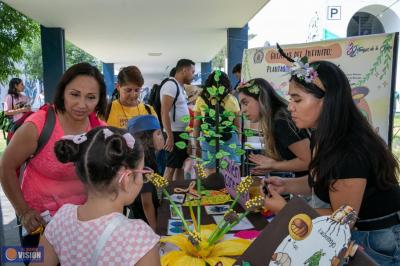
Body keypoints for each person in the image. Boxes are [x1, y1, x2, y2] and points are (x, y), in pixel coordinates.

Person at [263, 57, 400, 264]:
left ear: (327, 101)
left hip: (374, 242)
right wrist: (285, 185)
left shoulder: (348, 148)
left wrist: (285, 210)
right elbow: (323, 181)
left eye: (297, 99)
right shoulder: (323, 135)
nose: (290, 107)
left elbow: (343, 220)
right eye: (290, 99)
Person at [0, 63, 107, 252]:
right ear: (63, 92)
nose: (82, 104)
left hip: (82, 227)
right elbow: (5, 167)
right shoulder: (38, 125)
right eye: (75, 94)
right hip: (39, 225)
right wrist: (23, 211)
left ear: (99, 100)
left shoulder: (101, 130)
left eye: (91, 97)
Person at [32, 126, 160, 265]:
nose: (143, 178)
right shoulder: (139, 237)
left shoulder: (62, 217)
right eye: (142, 172)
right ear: (126, 179)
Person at [238, 78, 311, 177]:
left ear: (261, 98)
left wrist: (274, 165)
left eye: (245, 103)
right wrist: (270, 164)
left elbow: (308, 161)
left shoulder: (281, 121)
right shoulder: (276, 119)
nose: (243, 110)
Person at [193, 71, 241, 175]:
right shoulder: (232, 99)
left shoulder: (201, 99)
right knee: (230, 174)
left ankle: (213, 191)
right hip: (229, 140)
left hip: (209, 140)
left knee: (210, 172)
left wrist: (196, 145)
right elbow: (237, 126)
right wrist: (238, 144)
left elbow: (196, 126)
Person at [128, 115, 165, 231]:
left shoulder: (149, 155)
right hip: (144, 221)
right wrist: (155, 230)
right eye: (158, 134)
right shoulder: (144, 164)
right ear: (146, 138)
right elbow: (147, 203)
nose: (162, 137)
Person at [161, 59, 195, 181]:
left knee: (179, 166)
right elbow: (164, 111)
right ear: (184, 70)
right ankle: (164, 196)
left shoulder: (180, 87)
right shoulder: (170, 85)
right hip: (174, 133)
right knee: (170, 167)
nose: (193, 75)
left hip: (181, 133)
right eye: (192, 71)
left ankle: (177, 193)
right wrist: (169, 136)